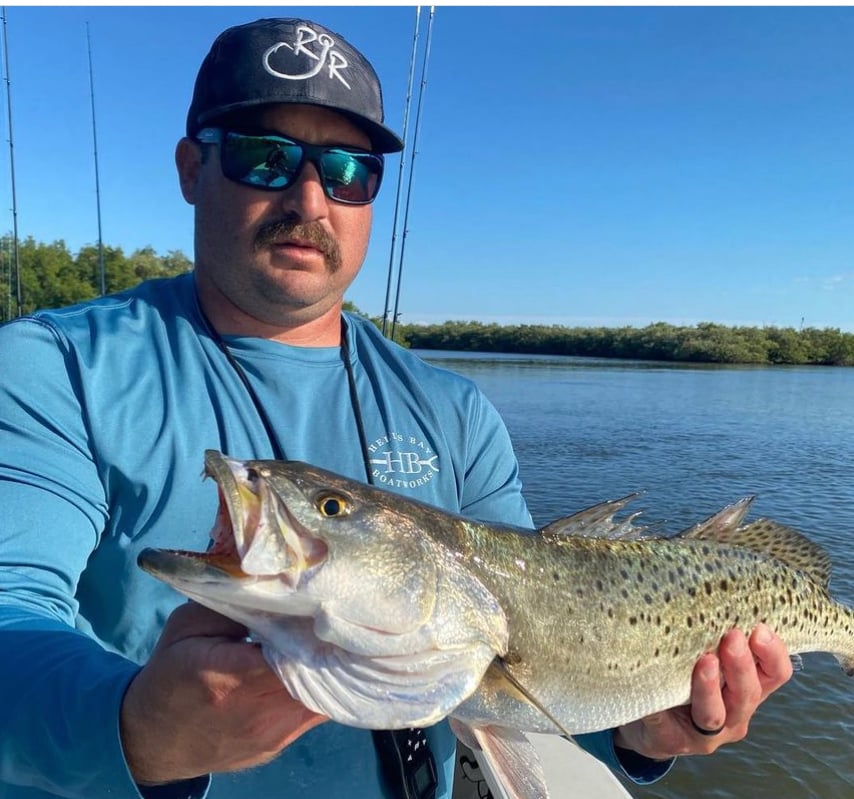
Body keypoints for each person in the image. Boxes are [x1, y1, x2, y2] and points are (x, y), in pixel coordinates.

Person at [0, 16, 793, 799]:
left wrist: (645, 730)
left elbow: (532, 664)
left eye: (348, 169)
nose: (309, 195)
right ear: (189, 169)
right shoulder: (53, 368)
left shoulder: (455, 409)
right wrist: (139, 729)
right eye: (264, 157)